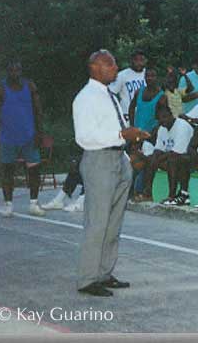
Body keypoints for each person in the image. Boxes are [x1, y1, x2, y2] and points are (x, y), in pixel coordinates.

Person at [73, 49, 150, 297]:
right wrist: (120, 136)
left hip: (118, 159)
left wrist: (131, 139)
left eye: (115, 65)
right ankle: (87, 278)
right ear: (95, 67)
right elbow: (84, 137)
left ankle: (104, 272)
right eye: (110, 65)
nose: (115, 69)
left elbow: (118, 127)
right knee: (97, 222)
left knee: (113, 222)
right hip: (99, 161)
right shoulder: (85, 98)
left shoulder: (110, 95)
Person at [0, 61, 46, 217]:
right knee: (7, 171)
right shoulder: (0, 88)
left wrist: (40, 132)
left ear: (21, 71)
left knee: (34, 170)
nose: (15, 73)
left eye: (18, 70)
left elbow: (38, 110)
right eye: (12, 70)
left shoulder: (30, 86)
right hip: (8, 137)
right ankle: (8, 205)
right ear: (7, 71)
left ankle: (34, 203)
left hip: (29, 136)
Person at [141, 105, 194, 206]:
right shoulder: (162, 128)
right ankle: (147, 192)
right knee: (150, 158)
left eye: (165, 117)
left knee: (172, 160)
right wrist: (153, 159)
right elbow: (158, 149)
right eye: (160, 118)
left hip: (191, 159)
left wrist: (157, 161)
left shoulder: (182, 126)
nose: (163, 120)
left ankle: (172, 196)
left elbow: (177, 152)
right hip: (174, 157)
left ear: (171, 115)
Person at [108, 49, 147, 122]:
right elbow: (111, 93)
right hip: (127, 117)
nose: (139, 63)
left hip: (145, 117)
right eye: (136, 60)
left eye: (141, 60)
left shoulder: (148, 75)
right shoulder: (122, 75)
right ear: (131, 61)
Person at [128, 68, 168, 133]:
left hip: (152, 134)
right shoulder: (138, 92)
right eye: (147, 76)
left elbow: (163, 118)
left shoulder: (162, 97)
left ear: (157, 78)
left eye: (152, 76)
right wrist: (132, 126)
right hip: (137, 132)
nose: (149, 78)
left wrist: (154, 132)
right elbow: (131, 108)